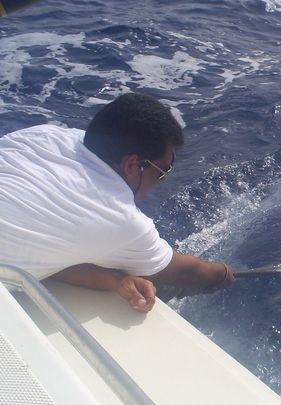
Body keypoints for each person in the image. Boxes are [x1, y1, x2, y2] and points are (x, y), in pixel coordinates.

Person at [0, 93, 234, 312]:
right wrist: (222, 274)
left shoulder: (42, 134)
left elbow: (39, 240)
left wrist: (114, 279)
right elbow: (186, 272)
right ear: (132, 164)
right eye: (164, 169)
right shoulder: (119, 218)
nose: (163, 179)